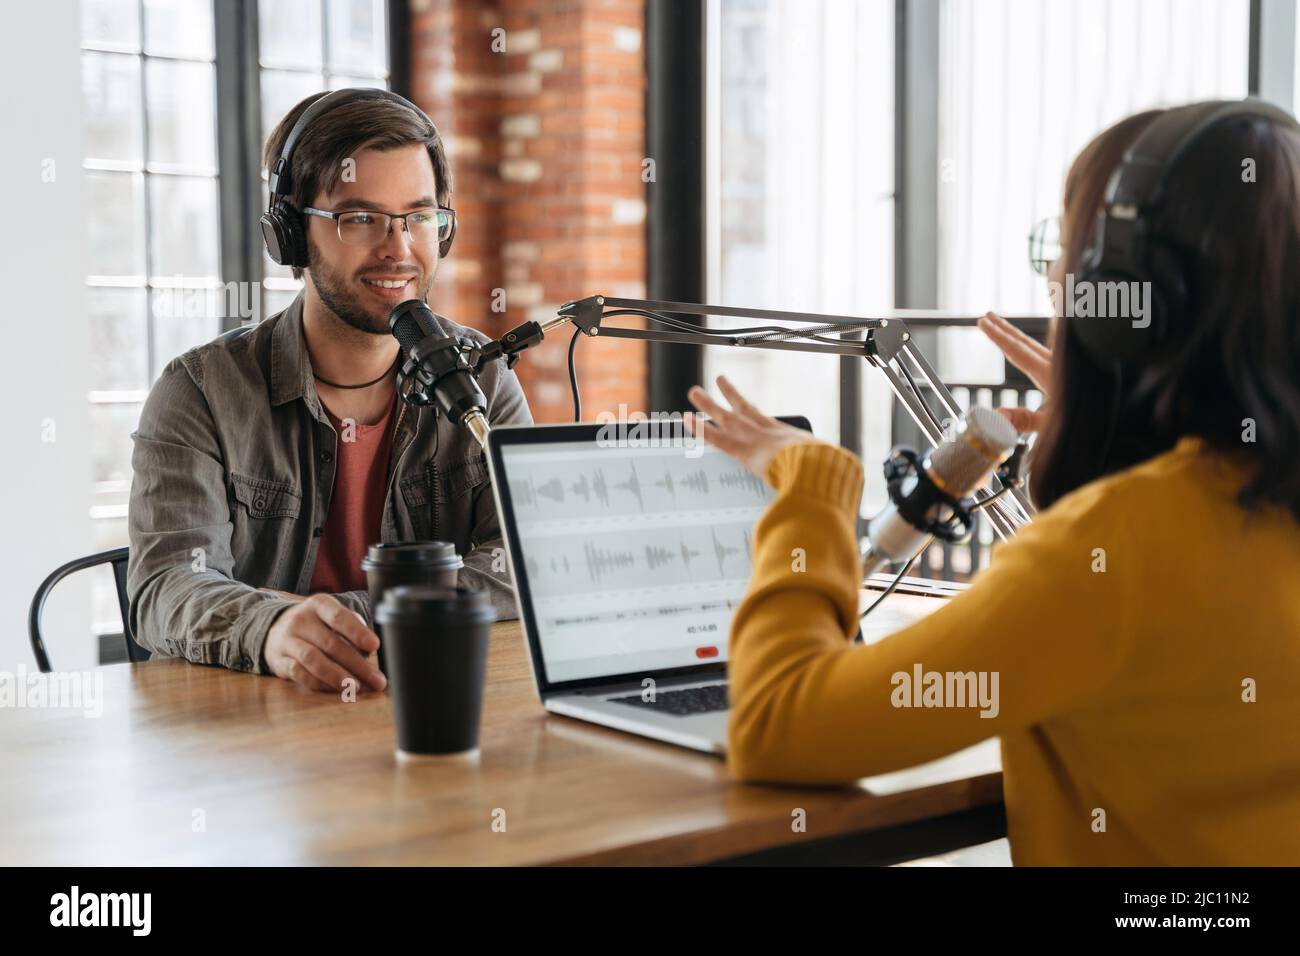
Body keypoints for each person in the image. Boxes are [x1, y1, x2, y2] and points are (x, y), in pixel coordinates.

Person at [685, 101, 1300, 864]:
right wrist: (1117, 441)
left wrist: (811, 483)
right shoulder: (1197, 520)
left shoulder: (1113, 554)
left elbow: (778, 724)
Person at [127, 89, 532, 693]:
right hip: (252, 742)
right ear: (289, 234)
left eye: (419, 216)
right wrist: (274, 628)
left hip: (421, 705)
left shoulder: (483, 376)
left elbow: (526, 561)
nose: (399, 249)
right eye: (360, 217)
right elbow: (167, 588)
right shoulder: (200, 392)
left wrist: (347, 613)